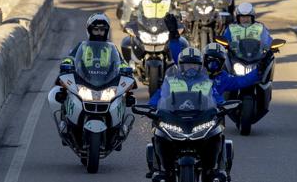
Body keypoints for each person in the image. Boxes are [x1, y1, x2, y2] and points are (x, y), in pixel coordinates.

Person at [147, 46, 226, 182]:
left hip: (200, 119)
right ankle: (161, 170)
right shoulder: (170, 81)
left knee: (216, 133)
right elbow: (158, 97)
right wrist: (151, 108)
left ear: (200, 66)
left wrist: (222, 106)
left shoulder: (207, 82)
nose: (191, 69)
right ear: (180, 66)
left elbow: (217, 99)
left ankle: (213, 170)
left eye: (194, 66)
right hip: (175, 118)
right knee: (159, 133)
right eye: (187, 65)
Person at [56, 13, 132, 84]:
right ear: (90, 31)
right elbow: (71, 57)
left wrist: (125, 67)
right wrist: (67, 62)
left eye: (102, 30)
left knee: (127, 95)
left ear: (106, 31)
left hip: (108, 82)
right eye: (96, 30)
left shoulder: (111, 48)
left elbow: (120, 62)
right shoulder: (82, 46)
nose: (99, 32)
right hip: (83, 80)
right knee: (59, 91)